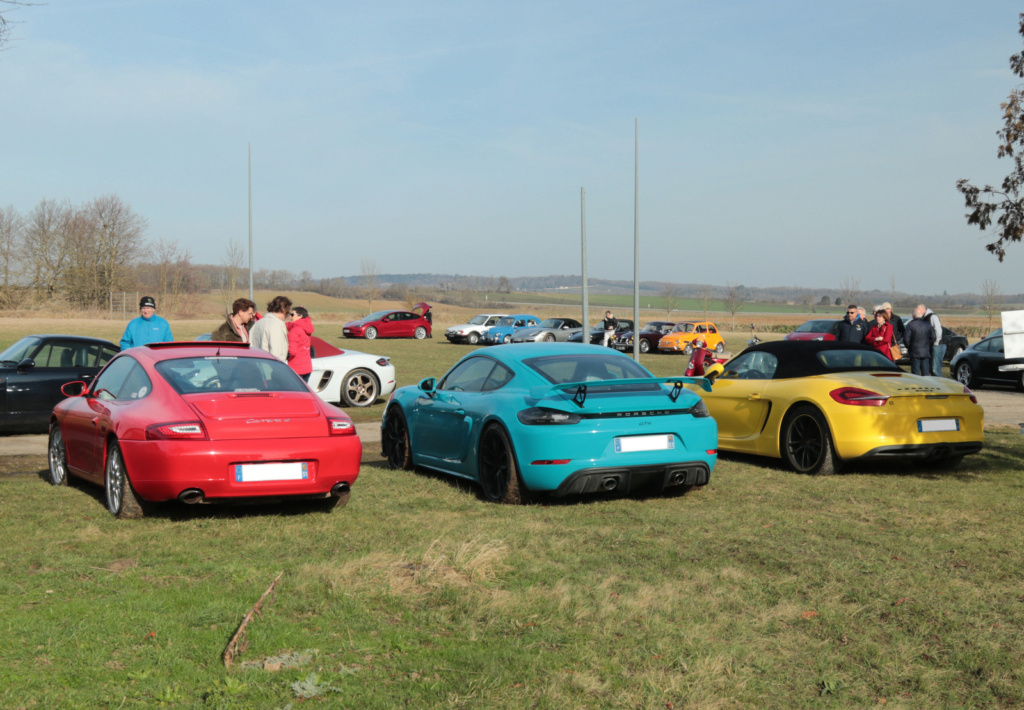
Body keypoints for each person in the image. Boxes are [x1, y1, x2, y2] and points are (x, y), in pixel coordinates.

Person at [248, 295, 292, 362]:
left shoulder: (257, 324)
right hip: (271, 367)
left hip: (256, 365)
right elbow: (277, 354)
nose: (287, 315)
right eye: (287, 311)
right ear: (283, 309)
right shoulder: (275, 326)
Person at [904, 305, 934, 376]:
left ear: (914, 315)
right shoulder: (927, 324)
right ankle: (926, 386)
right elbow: (933, 337)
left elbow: (906, 339)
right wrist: (927, 345)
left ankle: (918, 386)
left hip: (914, 353)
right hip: (925, 352)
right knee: (926, 373)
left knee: (915, 374)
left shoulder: (911, 325)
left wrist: (910, 347)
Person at [286, 306, 314, 382]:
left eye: (292, 314)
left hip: (296, 368)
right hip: (307, 367)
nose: (290, 316)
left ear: (300, 316)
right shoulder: (306, 328)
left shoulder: (295, 331)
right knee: (303, 392)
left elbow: (292, 352)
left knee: (293, 393)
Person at [923, 305, 944, 377]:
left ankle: (940, 385)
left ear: (923, 310)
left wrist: (936, 342)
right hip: (934, 344)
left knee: (935, 369)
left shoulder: (933, 317)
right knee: (932, 369)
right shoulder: (927, 317)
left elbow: (938, 330)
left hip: (937, 345)